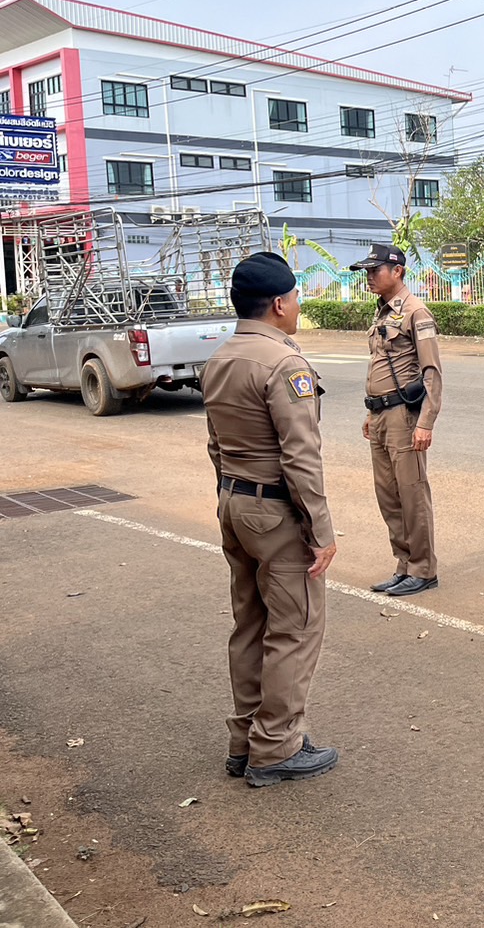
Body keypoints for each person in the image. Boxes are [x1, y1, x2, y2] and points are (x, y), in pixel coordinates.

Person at [202, 252, 339, 789]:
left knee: (250, 624)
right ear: (280, 303)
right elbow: (300, 456)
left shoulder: (220, 358)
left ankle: (245, 741)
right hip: (275, 512)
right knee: (295, 627)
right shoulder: (284, 365)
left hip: (234, 502)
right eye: (297, 297)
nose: (298, 306)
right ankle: (277, 745)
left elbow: (216, 444)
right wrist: (320, 531)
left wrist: (231, 495)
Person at [352, 244, 443, 597]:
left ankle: (423, 569)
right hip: (380, 415)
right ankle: (404, 564)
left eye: (374, 270)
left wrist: (426, 422)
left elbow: (431, 372)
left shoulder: (416, 313)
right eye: (366, 271)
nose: (369, 277)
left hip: (404, 417)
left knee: (411, 493)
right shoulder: (382, 313)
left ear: (398, 271)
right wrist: (370, 412)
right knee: (388, 495)